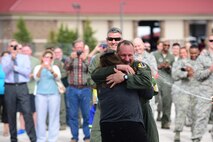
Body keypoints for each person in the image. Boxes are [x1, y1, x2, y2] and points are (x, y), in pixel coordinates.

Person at [91, 40, 152, 142]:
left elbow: (148, 89)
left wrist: (125, 77)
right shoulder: (107, 70)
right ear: (117, 54)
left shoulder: (139, 66)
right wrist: (118, 67)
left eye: (130, 55)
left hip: (132, 121)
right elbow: (94, 75)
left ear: (134, 54)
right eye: (123, 55)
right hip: (110, 123)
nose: (127, 59)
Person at [88, 27, 123, 142]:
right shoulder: (97, 59)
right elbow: (90, 81)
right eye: (111, 39)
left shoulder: (126, 56)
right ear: (106, 40)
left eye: (117, 39)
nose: (113, 42)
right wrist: (110, 78)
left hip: (123, 104)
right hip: (103, 102)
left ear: (121, 40)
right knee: (96, 135)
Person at [1, 40, 36, 142]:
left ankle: (33, 138)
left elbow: (26, 72)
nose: (14, 48)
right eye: (12, 46)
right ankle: (13, 138)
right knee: (11, 113)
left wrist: (15, 67)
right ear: (8, 48)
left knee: (27, 112)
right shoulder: (5, 58)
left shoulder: (24, 58)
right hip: (9, 87)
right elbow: (6, 70)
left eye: (16, 46)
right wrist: (12, 59)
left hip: (22, 86)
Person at [65, 40, 91, 142]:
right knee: (73, 115)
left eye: (81, 47)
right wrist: (71, 58)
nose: (79, 49)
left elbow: (92, 70)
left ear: (83, 48)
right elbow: (65, 68)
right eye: (77, 47)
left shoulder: (88, 58)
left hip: (85, 89)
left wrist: (84, 60)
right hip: (72, 89)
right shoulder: (70, 58)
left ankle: (87, 136)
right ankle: (74, 137)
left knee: (86, 114)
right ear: (74, 48)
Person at [171, 46, 200, 142]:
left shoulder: (198, 62)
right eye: (181, 52)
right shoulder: (179, 63)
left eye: (185, 52)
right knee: (181, 111)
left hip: (196, 92)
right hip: (183, 91)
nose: (183, 54)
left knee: (195, 114)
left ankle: (194, 135)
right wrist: (186, 74)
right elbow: (174, 75)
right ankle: (178, 132)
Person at [33, 50, 61, 142]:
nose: (48, 59)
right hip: (40, 95)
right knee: (40, 117)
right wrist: (42, 68)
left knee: (54, 117)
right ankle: (41, 138)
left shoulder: (55, 67)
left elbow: (58, 77)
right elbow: (36, 78)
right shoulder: (37, 67)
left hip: (54, 95)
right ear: (42, 58)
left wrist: (50, 69)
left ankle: (52, 138)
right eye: (46, 57)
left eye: (50, 57)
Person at [192, 35, 213, 142]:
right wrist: (209, 69)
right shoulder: (202, 57)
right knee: (201, 117)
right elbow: (197, 75)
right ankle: (196, 138)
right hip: (206, 92)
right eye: (211, 40)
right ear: (208, 42)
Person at [153, 40, 175, 129]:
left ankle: (165, 121)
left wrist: (169, 67)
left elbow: (175, 69)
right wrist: (160, 66)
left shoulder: (171, 56)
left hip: (167, 80)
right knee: (155, 100)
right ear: (162, 45)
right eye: (165, 45)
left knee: (167, 101)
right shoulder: (155, 55)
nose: (166, 46)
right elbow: (151, 66)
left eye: (168, 45)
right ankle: (152, 120)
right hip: (158, 79)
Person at [54, 47, 68, 130]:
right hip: (51, 86)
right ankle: (50, 123)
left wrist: (57, 77)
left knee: (62, 106)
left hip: (62, 85)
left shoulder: (65, 60)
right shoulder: (50, 61)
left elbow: (64, 73)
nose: (57, 54)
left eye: (59, 52)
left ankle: (63, 123)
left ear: (62, 53)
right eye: (55, 52)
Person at [0, 51, 9, 137]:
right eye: (4, 56)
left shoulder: (10, 67)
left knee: (6, 111)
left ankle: (6, 129)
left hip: (8, 92)